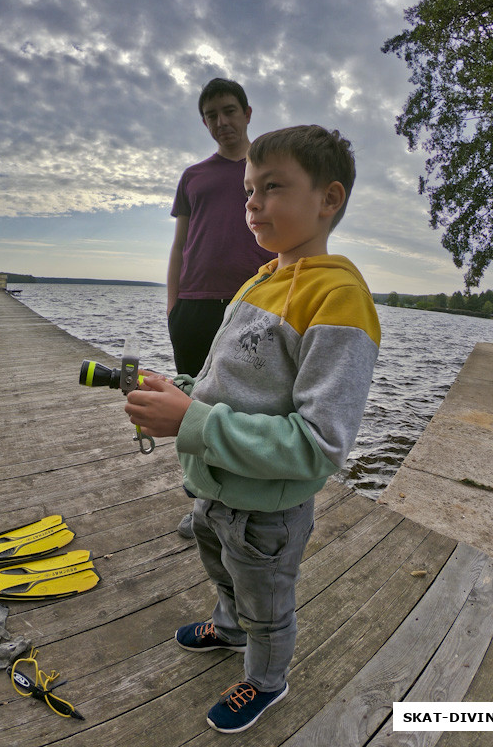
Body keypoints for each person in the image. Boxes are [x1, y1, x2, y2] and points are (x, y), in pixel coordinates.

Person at [125, 124, 380, 734]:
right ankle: (228, 625)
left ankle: (267, 677)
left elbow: (319, 444)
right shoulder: (258, 281)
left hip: (267, 512)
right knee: (222, 572)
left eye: (272, 187)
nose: (252, 203)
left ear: (329, 199)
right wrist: (181, 394)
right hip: (215, 493)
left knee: (267, 603)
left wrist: (193, 422)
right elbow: (228, 387)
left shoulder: (340, 298)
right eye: (248, 190)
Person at [167, 77, 275, 537]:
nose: (221, 122)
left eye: (229, 111)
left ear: (248, 113)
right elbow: (180, 245)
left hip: (253, 307)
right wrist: (173, 304)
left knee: (251, 407)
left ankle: (248, 504)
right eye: (211, 116)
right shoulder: (194, 176)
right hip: (193, 306)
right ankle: (203, 507)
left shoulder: (270, 166)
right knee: (194, 405)